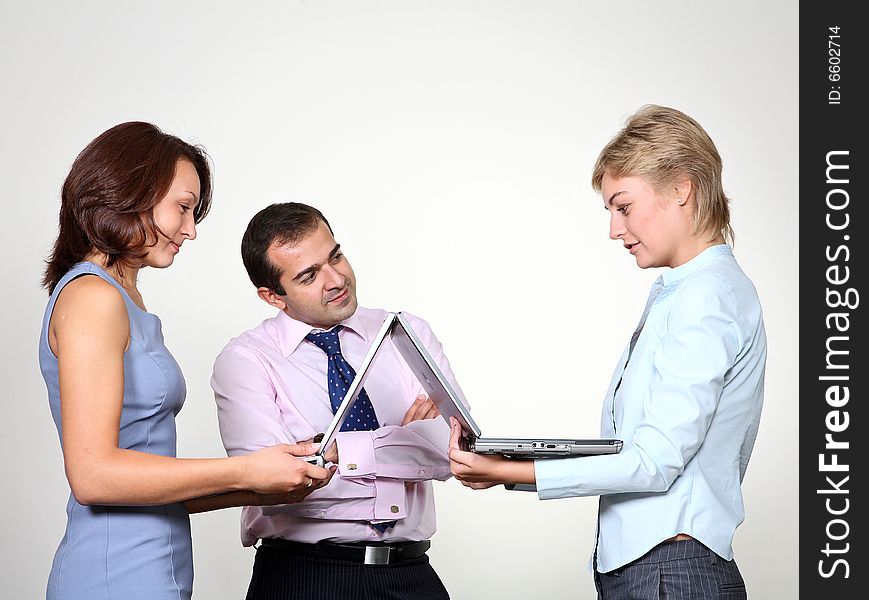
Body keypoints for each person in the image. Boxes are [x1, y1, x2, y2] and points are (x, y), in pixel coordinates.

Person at [447, 105, 767, 599]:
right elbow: (638, 448)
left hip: (671, 571)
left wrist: (511, 471)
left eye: (623, 206)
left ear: (681, 188)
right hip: (655, 569)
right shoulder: (684, 291)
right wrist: (519, 462)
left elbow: (655, 461)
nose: (615, 230)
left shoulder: (708, 296)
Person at [39, 122, 333, 600]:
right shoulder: (93, 297)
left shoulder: (123, 300)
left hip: (153, 571)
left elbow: (147, 482)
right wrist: (244, 471)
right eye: (183, 207)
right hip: (114, 577)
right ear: (130, 189)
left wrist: (269, 483)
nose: (190, 230)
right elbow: (94, 476)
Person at [211, 201, 466, 600]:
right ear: (273, 296)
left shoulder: (405, 332)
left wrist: (332, 453)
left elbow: (455, 451)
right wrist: (404, 436)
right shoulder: (245, 361)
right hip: (301, 578)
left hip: (412, 576)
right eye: (309, 275)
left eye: (336, 256)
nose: (336, 279)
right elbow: (276, 489)